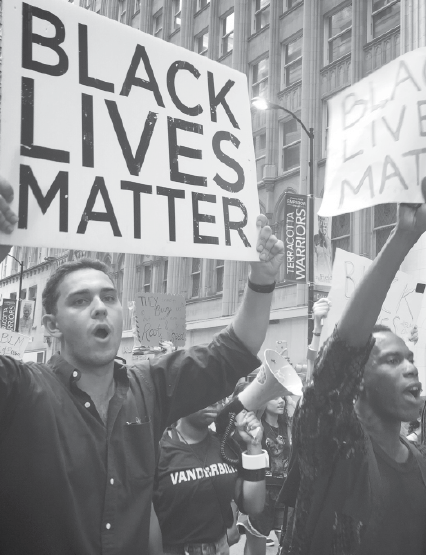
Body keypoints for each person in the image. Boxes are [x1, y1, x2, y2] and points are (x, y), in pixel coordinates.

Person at [0, 175, 284, 555]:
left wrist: (262, 281)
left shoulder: (149, 387)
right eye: (81, 300)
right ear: (51, 325)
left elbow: (232, 351)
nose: (100, 306)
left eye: (109, 297)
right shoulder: (20, 388)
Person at [280, 194, 426, 555]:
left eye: (410, 359)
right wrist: (404, 237)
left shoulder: (420, 463)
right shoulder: (333, 449)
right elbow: (336, 365)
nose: (411, 368)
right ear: (356, 378)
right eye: (393, 361)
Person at [154, 401, 265, 555]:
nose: (213, 402)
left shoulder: (226, 446)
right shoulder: (159, 448)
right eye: (204, 393)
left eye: (218, 397)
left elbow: (254, 506)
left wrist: (254, 444)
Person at [238, 394, 292, 555]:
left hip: (284, 493)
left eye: (283, 398)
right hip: (261, 492)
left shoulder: (288, 425)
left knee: (288, 544)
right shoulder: (255, 426)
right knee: (256, 548)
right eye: (275, 397)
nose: (281, 401)